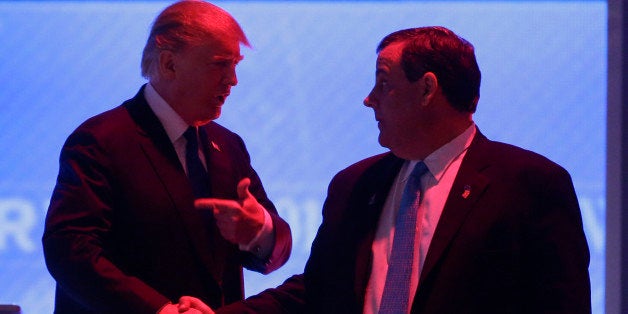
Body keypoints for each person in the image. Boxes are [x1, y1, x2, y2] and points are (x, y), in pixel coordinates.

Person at [190, 26, 592, 313]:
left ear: (427, 90)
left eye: (383, 84)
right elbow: (315, 292)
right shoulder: (355, 185)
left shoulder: (530, 184)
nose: (369, 100)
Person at [42, 1, 292, 313]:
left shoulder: (228, 146)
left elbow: (278, 248)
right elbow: (69, 251)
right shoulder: (100, 140)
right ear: (169, 64)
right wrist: (157, 310)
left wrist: (260, 231)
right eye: (220, 64)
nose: (233, 80)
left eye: (235, 64)